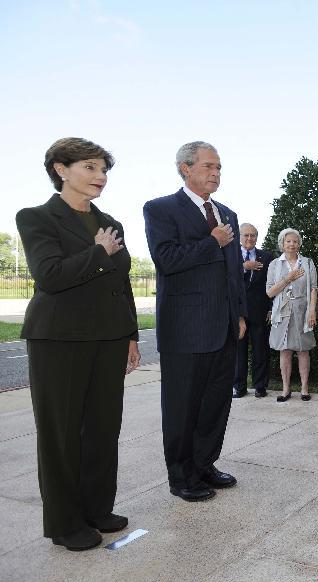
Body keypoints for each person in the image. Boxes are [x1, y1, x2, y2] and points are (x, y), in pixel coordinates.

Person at [16, 137, 141, 551]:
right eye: (90, 167)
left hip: (108, 339)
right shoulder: (36, 218)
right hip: (59, 339)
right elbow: (49, 275)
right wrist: (100, 252)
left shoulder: (111, 223)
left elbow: (122, 285)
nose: (100, 177)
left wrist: (130, 336)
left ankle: (97, 509)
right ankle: (66, 523)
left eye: (103, 169)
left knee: (103, 429)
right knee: (62, 434)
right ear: (60, 169)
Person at [144, 141, 247, 502]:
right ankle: (181, 475)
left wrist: (239, 314)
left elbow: (234, 272)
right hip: (185, 329)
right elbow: (166, 259)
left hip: (223, 327)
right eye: (208, 167)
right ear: (185, 168)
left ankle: (205, 464)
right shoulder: (161, 209)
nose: (216, 173)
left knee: (215, 404)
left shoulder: (227, 214)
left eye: (218, 167)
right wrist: (211, 241)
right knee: (182, 406)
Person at [266, 228, 318, 402]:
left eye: (295, 241)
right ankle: (286, 389)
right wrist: (287, 278)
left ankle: (304, 388)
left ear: (299, 244)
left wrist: (311, 311)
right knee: (285, 350)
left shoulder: (307, 262)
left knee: (303, 350)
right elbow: (270, 292)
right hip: (282, 312)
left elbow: (313, 288)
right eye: (288, 241)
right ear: (282, 243)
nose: (292, 244)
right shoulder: (275, 264)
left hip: (303, 310)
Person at [233, 223, 274, 399]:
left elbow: (272, 284)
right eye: (246, 235)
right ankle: (239, 387)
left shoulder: (267, 256)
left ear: (257, 237)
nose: (249, 238)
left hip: (260, 311)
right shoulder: (231, 255)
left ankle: (260, 386)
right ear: (239, 237)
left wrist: (272, 308)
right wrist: (244, 266)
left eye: (253, 235)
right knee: (238, 353)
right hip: (238, 312)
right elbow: (225, 278)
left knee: (260, 351)